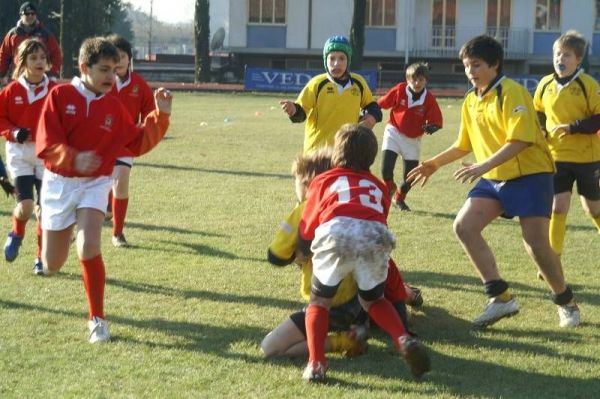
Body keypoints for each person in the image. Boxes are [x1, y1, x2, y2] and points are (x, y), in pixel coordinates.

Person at [407, 35, 580, 330]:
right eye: (466, 66)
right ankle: (500, 297)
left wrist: (483, 165)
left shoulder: (511, 92)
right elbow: (464, 145)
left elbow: (521, 139)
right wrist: (433, 163)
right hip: (493, 177)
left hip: (530, 175)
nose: (470, 71)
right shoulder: (471, 100)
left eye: (476, 65)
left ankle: (566, 302)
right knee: (464, 226)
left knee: (535, 244)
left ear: (494, 64)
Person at [35, 37, 172, 343]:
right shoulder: (60, 96)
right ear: (85, 68)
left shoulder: (113, 105)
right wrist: (72, 157)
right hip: (59, 183)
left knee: (89, 246)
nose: (111, 76)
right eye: (104, 69)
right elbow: (45, 144)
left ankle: (97, 319)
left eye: (114, 69)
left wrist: (161, 115)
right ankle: (45, 220)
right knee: (51, 265)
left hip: (95, 183)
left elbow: (136, 141)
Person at [298, 124, 430, 382]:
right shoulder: (379, 186)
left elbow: (308, 224)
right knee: (374, 300)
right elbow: (380, 219)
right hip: (375, 235)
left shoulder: (323, 180)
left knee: (319, 302)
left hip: (338, 232)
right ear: (371, 157)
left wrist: (303, 249)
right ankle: (402, 338)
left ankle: (316, 365)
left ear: (337, 153)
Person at [263, 148, 420, 359]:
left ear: (310, 182)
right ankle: (383, 322)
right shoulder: (358, 206)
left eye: (298, 182)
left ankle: (342, 342)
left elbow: (276, 256)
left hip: (331, 305)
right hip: (363, 304)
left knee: (271, 347)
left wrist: (298, 254)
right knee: (376, 297)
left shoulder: (306, 207)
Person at [532, 30, 600, 258]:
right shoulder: (545, 84)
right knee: (558, 207)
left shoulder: (587, 84)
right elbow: (538, 111)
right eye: (558, 54)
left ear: (578, 59)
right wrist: (541, 129)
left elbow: (598, 117)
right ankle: (554, 256)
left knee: (593, 208)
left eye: (567, 55)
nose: (561, 59)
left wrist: (572, 128)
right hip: (557, 157)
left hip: (587, 158)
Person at [0, 38, 56, 274]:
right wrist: (13, 132)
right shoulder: (11, 90)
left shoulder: (55, 90)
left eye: (42, 57)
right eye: (33, 58)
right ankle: (17, 233)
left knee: (44, 210)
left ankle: (40, 258)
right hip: (20, 155)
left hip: (47, 156)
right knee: (25, 206)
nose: (39, 62)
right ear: (21, 63)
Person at [280, 35, 382, 154]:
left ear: (348, 61)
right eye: (332, 58)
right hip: (318, 153)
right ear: (325, 61)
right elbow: (301, 113)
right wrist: (294, 110)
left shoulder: (358, 83)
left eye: (342, 58)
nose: (336, 63)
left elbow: (372, 106)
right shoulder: (317, 84)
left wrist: (372, 118)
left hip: (346, 152)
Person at [106, 34, 155, 248]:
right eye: (114, 56)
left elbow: (150, 114)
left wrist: (143, 127)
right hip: (100, 142)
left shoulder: (139, 85)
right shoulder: (102, 81)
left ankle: (117, 233)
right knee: (101, 181)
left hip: (126, 144)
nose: (119, 60)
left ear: (129, 58)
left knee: (121, 180)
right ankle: (106, 207)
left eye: (122, 56)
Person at [377, 61, 443, 211]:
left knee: (410, 177)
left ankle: (399, 198)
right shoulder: (400, 90)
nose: (417, 82)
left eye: (421, 79)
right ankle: (389, 187)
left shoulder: (429, 99)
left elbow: (437, 121)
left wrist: (433, 127)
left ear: (426, 80)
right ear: (407, 79)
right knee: (385, 169)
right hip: (393, 132)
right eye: (413, 79)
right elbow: (382, 103)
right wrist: (370, 109)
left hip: (413, 140)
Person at [0, 2, 62, 83]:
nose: (30, 16)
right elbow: (3, 55)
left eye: (33, 14)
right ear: (21, 15)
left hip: (40, 79)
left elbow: (56, 54)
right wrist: (1, 74)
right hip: (18, 78)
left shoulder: (45, 34)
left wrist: (53, 74)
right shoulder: (12, 34)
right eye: (27, 14)